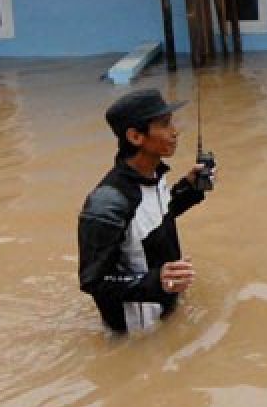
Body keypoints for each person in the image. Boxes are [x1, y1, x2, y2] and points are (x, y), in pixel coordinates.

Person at [78, 88, 211, 333]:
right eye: (164, 125)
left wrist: (189, 189)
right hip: (138, 332)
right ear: (136, 137)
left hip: (165, 307)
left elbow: (153, 218)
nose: (174, 132)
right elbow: (93, 281)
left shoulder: (154, 176)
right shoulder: (107, 203)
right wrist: (155, 281)